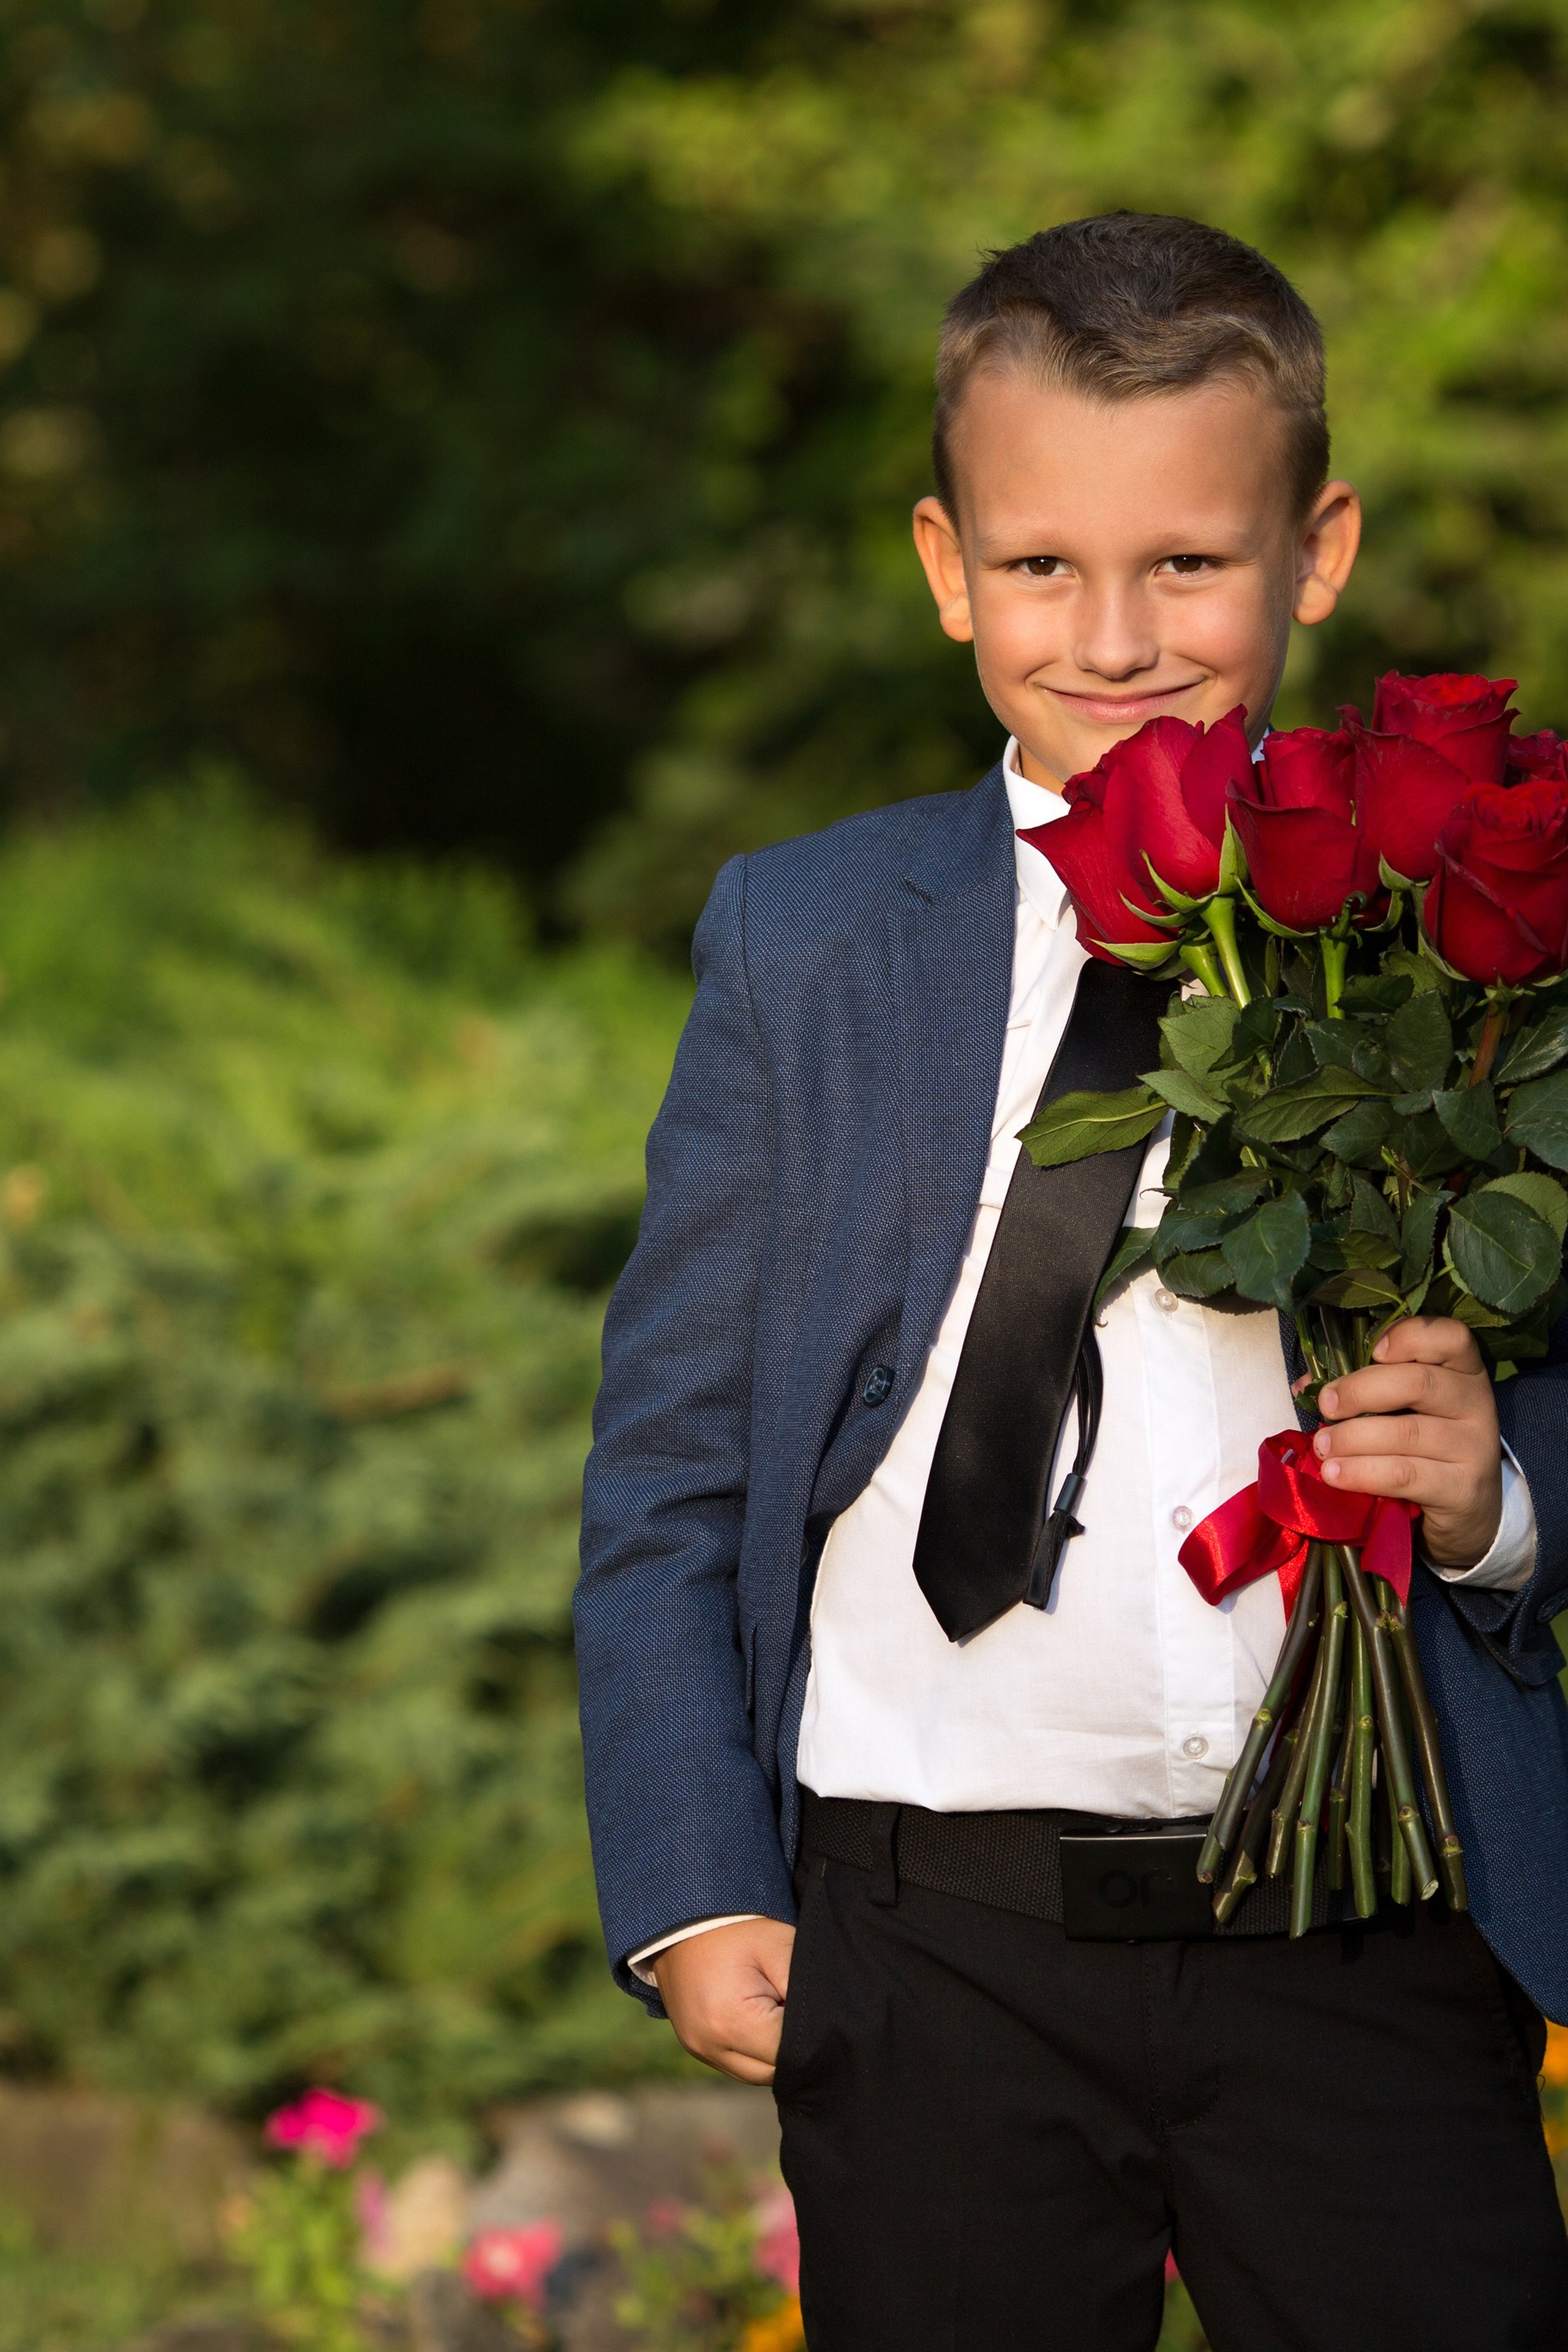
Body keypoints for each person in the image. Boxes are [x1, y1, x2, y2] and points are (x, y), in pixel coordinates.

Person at [575, 214, 1568, 2351]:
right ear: (946, 565)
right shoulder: (808, 942)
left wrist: (1498, 1502)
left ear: (1319, 550)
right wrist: (687, 1875)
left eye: (1189, 566)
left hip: (1376, 1935)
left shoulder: (1461, 925)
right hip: (930, 1945)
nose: (1115, 638)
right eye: (1041, 567)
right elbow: (672, 1464)